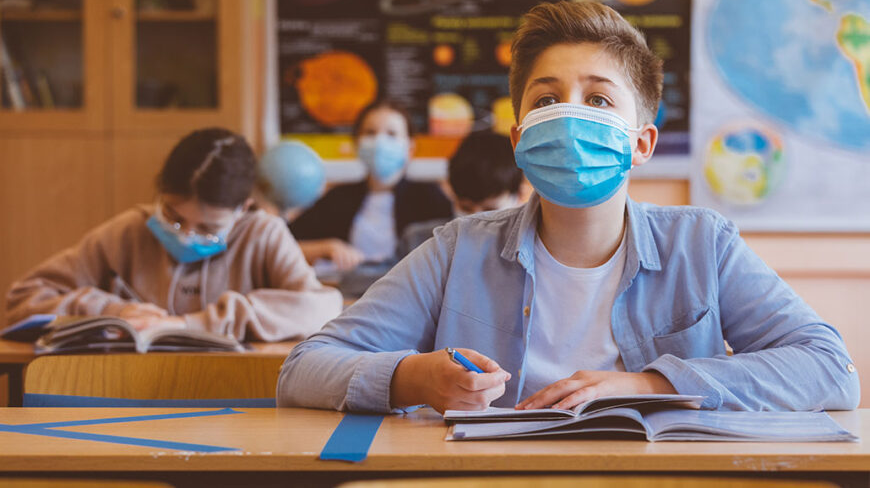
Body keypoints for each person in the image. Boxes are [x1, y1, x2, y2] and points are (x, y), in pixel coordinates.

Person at [276, 0, 860, 414]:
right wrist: (411, 378)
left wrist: (647, 385)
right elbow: (304, 367)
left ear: (641, 144)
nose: (571, 114)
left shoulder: (703, 245)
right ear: (519, 138)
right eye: (547, 98)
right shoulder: (458, 250)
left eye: (599, 98)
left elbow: (831, 370)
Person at [5, 128, 343, 341]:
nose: (185, 235)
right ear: (160, 193)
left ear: (243, 210)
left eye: (208, 228)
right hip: (124, 395)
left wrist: (195, 324)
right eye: (173, 216)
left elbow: (322, 308)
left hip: (233, 399)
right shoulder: (128, 231)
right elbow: (22, 298)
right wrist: (111, 310)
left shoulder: (263, 233)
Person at [291, 99, 452, 271]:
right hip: (351, 294)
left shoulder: (430, 198)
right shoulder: (337, 198)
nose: (379, 141)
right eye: (370, 132)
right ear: (357, 143)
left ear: (410, 147)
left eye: (391, 134)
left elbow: (450, 253)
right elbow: (287, 244)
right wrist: (327, 247)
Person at [398, 129, 524, 257]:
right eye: (466, 208)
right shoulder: (420, 242)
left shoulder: (530, 248)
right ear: (449, 192)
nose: (477, 220)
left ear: (519, 195)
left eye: (490, 210)